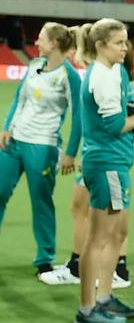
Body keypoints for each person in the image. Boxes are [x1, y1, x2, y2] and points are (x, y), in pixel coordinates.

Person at [73, 19, 134, 323]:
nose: (126, 48)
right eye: (119, 43)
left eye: (126, 41)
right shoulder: (102, 77)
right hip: (107, 164)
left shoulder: (111, 73)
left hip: (114, 165)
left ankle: (104, 297)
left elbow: (117, 113)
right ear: (101, 45)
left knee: (117, 233)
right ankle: (86, 310)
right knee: (98, 239)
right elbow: (112, 126)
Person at [41, 40, 134, 288]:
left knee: (110, 223)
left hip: (107, 158)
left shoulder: (113, 74)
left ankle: (112, 274)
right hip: (97, 155)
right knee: (83, 209)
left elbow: (115, 123)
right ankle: (82, 271)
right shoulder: (99, 73)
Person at [0, 22, 81, 278]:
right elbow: (18, 98)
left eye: (41, 38)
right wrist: (6, 126)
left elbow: (79, 117)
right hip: (13, 143)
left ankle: (44, 259)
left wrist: (70, 152)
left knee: (41, 203)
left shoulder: (69, 76)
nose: (36, 42)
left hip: (43, 147)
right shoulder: (34, 65)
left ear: (55, 43)